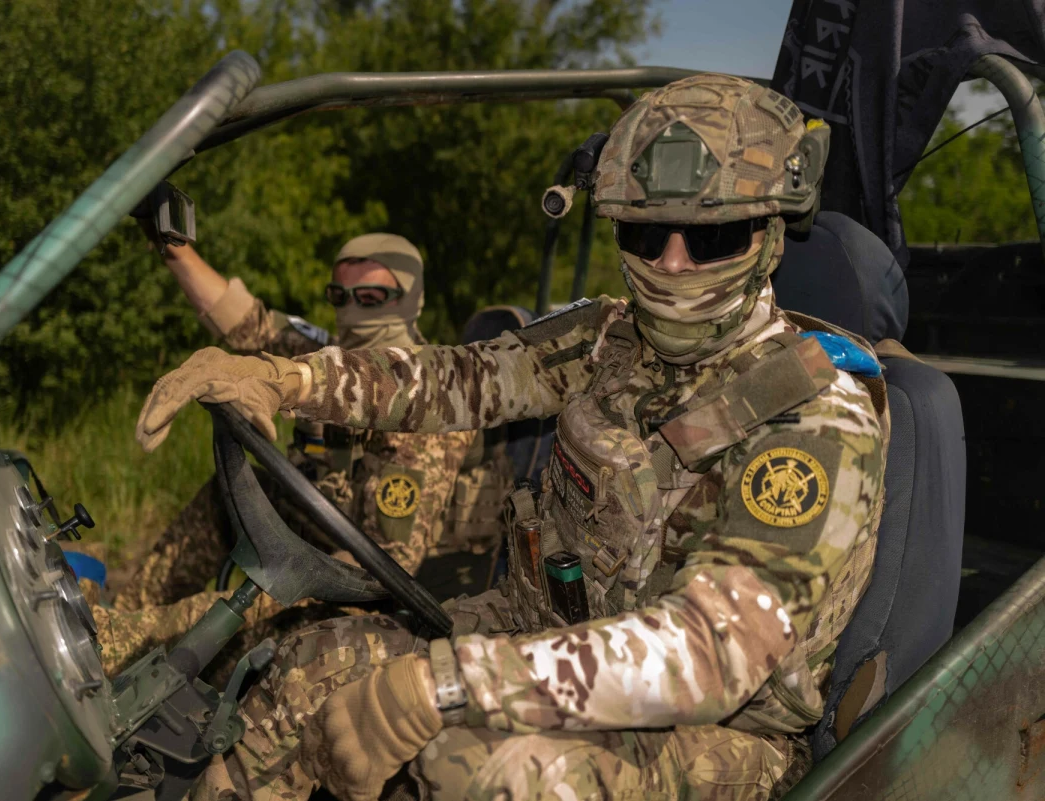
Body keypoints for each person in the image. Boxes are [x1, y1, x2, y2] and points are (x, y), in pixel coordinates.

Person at [136, 73, 889, 800]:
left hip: (715, 735)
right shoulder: (607, 340)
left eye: (713, 235)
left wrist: (447, 685)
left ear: (769, 233)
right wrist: (284, 381)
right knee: (317, 658)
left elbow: (707, 653)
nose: (672, 262)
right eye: (647, 231)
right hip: (542, 635)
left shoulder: (818, 419)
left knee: (491, 771)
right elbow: (450, 380)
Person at [94, 234, 511, 675]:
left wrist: (288, 565)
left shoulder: (429, 404)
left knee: (273, 591)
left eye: (371, 296)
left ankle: (119, 645)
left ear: (412, 299)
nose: (352, 308)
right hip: (328, 536)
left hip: (391, 595)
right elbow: (249, 325)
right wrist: (172, 245)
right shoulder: (333, 364)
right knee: (231, 491)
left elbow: (383, 567)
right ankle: (126, 614)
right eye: (339, 295)